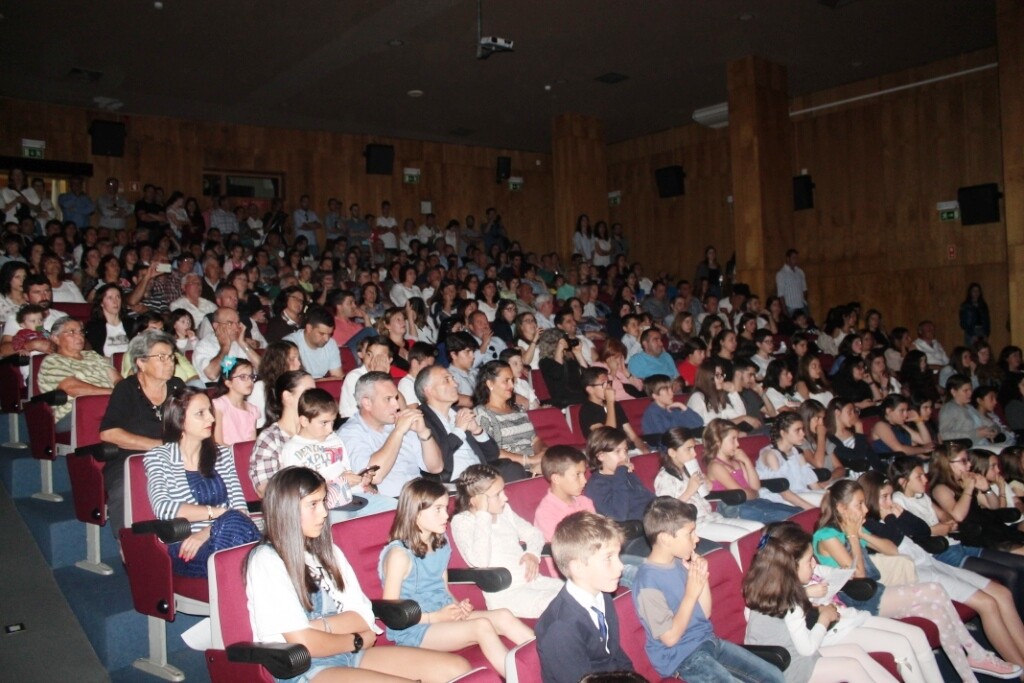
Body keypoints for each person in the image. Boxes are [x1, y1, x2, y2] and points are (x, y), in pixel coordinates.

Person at [245, 467, 471, 683]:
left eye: (323, 502)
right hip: (306, 668)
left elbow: (363, 617)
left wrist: (317, 626)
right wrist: (354, 640)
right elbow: (303, 642)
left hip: (351, 655)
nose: (324, 512)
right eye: (313, 504)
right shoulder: (267, 560)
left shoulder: (329, 551)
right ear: (286, 509)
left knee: (458, 669)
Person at [813, 480, 1020, 681]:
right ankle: (976, 654)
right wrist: (853, 537)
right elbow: (859, 575)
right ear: (841, 508)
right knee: (935, 590)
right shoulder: (827, 536)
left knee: (938, 613)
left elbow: (892, 550)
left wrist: (861, 534)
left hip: (876, 590)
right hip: (858, 599)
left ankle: (969, 676)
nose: (865, 510)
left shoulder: (852, 528)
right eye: (859, 504)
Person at [860, 471, 1024, 670]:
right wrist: (893, 518)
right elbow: (894, 540)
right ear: (869, 499)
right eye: (884, 497)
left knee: (1003, 593)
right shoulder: (868, 524)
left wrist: (901, 514)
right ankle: (1019, 667)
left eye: (890, 495)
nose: (889, 502)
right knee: (987, 603)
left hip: (931, 563)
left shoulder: (890, 513)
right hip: (917, 574)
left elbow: (923, 530)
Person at [379, 478, 533, 677]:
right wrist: (435, 617)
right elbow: (392, 613)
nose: (446, 515)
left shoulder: (440, 542)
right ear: (416, 512)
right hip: (415, 628)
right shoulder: (399, 555)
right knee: (481, 626)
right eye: (438, 509)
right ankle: (521, 678)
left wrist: (458, 607)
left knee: (504, 616)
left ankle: (548, 664)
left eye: (445, 508)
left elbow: (443, 589)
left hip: (443, 615)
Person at [745, 522, 929, 683]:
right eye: (809, 561)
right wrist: (824, 618)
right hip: (789, 669)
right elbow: (808, 649)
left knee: (855, 652)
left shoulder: (763, 587)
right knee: (851, 667)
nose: (814, 564)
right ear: (791, 567)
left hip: (772, 661)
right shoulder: (793, 601)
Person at [632, 497, 786, 683]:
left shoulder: (679, 564)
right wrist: (690, 594)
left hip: (708, 641)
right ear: (665, 538)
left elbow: (704, 614)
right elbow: (670, 638)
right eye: (690, 533)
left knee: (774, 677)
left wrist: (701, 578)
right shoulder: (647, 582)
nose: (696, 539)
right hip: (682, 658)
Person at [143, 387, 260, 578]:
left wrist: (208, 531)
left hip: (223, 535)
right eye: (201, 413)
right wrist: (219, 513)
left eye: (210, 411)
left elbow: (240, 509)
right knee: (254, 550)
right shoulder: (158, 457)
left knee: (239, 529)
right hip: (188, 548)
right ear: (180, 419)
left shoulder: (222, 455)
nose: (211, 419)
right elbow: (163, 508)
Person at [450, 464, 563, 618]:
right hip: (506, 594)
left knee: (581, 590)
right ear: (476, 500)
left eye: (503, 491)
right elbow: (480, 561)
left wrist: (532, 553)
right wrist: (483, 513)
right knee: (562, 603)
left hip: (534, 582)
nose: (505, 498)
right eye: (497, 494)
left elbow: (534, 534)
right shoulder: (463, 522)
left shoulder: (505, 511)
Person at [535, 511, 633, 682]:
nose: (620, 566)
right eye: (608, 558)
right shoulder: (561, 628)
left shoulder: (602, 596)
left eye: (617, 556)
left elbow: (614, 653)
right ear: (578, 568)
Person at [279, 387, 396, 521]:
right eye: (324, 423)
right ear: (304, 421)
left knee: (395, 507)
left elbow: (346, 471)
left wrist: (360, 480)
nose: (330, 429)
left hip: (353, 497)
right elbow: (300, 493)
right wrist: (340, 483)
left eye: (332, 422)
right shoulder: (292, 449)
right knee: (341, 522)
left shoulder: (334, 439)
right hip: (325, 506)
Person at [415, 364, 527, 483]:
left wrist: (477, 431)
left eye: (453, 379)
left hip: (480, 471)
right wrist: (458, 431)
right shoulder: (421, 420)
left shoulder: (459, 412)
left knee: (514, 469)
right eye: (446, 380)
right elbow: (437, 463)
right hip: (457, 480)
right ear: (428, 390)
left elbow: (493, 454)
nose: (455, 384)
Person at [337, 372, 443, 497]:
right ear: (367, 403)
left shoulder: (398, 422)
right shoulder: (349, 433)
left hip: (419, 496)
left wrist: (423, 432)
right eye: (388, 399)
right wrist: (398, 432)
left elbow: (436, 468)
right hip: (386, 503)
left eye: (396, 398)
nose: (396, 405)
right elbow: (375, 477)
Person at [703, 419, 799, 523]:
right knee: (788, 519)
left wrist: (747, 461)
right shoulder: (715, 466)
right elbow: (741, 494)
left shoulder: (737, 462)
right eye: (733, 439)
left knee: (797, 512)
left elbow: (756, 486)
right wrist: (754, 493)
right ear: (718, 441)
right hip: (735, 508)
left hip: (753, 502)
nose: (737, 444)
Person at [38, 317, 121, 432]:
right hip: (74, 412)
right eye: (72, 332)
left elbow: (117, 379)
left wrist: (125, 392)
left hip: (109, 403)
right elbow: (72, 388)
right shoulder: (52, 361)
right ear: (56, 338)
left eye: (81, 332)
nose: (79, 336)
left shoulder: (92, 355)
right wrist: (116, 394)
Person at [473, 360, 547, 474]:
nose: (512, 385)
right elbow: (491, 451)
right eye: (506, 381)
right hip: (513, 469)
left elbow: (534, 439)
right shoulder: (482, 413)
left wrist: (542, 453)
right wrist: (530, 460)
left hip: (536, 463)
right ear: (490, 384)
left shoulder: (518, 409)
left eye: (512, 380)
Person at [250, 370, 317, 496]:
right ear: (287, 397)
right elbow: (265, 489)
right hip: (292, 503)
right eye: (309, 393)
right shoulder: (270, 438)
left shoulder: (318, 430)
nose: (316, 398)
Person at [755, 413, 826, 511]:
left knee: (833, 497)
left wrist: (827, 495)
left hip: (799, 494)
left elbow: (813, 484)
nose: (803, 434)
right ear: (783, 433)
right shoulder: (771, 455)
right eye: (797, 430)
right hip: (779, 500)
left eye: (802, 429)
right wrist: (813, 510)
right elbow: (784, 493)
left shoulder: (796, 452)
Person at [583, 427, 654, 524]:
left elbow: (649, 498)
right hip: (633, 529)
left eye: (625, 450)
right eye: (617, 451)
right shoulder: (596, 485)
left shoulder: (626, 474)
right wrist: (620, 473)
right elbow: (619, 516)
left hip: (652, 521)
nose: (624, 456)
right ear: (601, 456)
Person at [534, 446, 597, 542]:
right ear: (556, 479)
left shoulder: (585, 502)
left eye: (583, 474)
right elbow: (563, 547)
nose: (584, 481)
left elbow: (598, 533)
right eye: (577, 475)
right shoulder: (545, 513)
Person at [578, 367, 646, 449]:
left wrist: (644, 450)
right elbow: (608, 436)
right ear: (590, 389)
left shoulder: (615, 404)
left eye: (609, 382)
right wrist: (610, 402)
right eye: (603, 384)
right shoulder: (587, 411)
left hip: (626, 448)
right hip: (607, 451)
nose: (609, 387)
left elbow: (633, 436)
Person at [192, 306, 262, 382]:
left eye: (237, 323)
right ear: (216, 326)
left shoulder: (238, 342)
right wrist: (225, 347)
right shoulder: (205, 345)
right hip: (220, 388)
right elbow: (212, 374)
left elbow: (263, 370)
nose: (236, 328)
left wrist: (243, 343)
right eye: (230, 323)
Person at [210, 356, 260, 446]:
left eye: (251, 376)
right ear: (228, 382)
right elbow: (218, 442)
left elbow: (252, 444)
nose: (250, 381)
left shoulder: (253, 410)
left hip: (246, 453)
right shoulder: (219, 405)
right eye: (243, 377)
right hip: (226, 453)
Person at [285, 305, 343, 379]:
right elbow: (291, 381)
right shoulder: (290, 344)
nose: (326, 339)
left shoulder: (331, 344)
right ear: (309, 328)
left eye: (329, 334)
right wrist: (323, 381)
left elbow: (338, 377)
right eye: (322, 333)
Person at [641, 374, 703, 442]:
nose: (672, 393)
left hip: (681, 443)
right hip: (667, 446)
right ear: (655, 395)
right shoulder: (652, 414)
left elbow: (698, 423)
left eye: (671, 389)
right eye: (667, 390)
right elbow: (664, 440)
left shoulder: (674, 409)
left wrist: (682, 406)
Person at [775, 248, 808, 317]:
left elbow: (804, 289)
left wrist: (805, 302)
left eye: (796, 258)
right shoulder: (781, 274)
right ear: (788, 259)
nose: (796, 260)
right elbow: (781, 294)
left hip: (802, 305)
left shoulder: (800, 272)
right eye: (793, 258)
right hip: (790, 307)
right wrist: (784, 310)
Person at [960, 282, 991, 347]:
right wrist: (972, 334)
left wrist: (986, 334)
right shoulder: (966, 305)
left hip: (982, 331)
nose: (976, 293)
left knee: (982, 349)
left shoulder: (983, 305)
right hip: (971, 331)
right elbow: (963, 323)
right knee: (971, 349)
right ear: (970, 292)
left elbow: (987, 320)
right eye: (974, 291)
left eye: (978, 291)